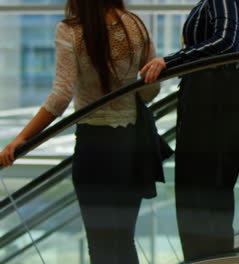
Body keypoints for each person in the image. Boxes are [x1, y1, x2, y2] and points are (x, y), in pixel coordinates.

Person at [0, 1, 159, 263]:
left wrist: (22, 138)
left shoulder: (71, 30)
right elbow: (149, 92)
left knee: (100, 245)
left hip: (94, 147)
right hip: (134, 145)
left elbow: (61, 96)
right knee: (123, 240)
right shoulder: (136, 25)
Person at [141, 0, 239, 261]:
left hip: (212, 97)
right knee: (218, 196)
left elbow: (225, 41)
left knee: (195, 197)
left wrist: (171, 61)